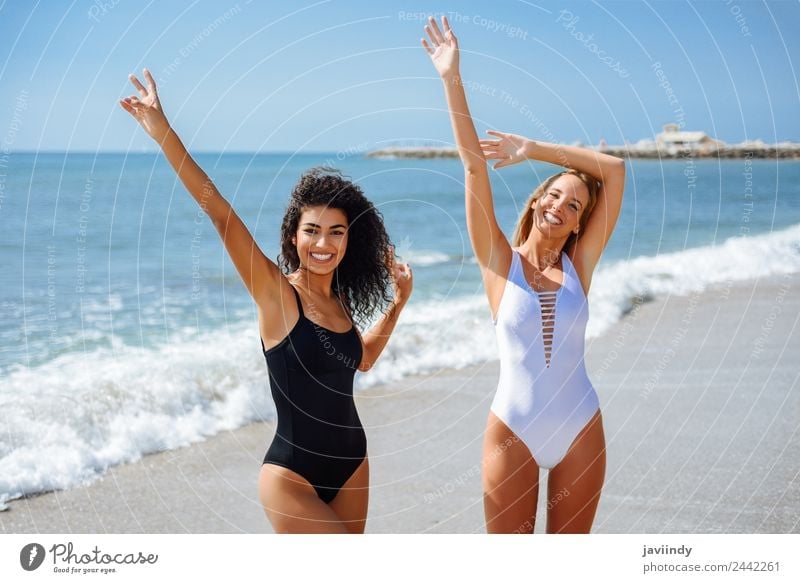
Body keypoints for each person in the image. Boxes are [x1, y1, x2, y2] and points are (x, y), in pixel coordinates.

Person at [119, 69, 412, 533]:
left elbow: (364, 360)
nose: (323, 243)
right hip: (291, 476)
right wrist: (164, 133)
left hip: (354, 463)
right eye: (312, 231)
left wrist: (397, 304)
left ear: (348, 242)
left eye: (336, 232)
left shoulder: (338, 303)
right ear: (294, 238)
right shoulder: (278, 295)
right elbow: (221, 215)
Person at [423, 17, 625, 533]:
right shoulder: (499, 261)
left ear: (582, 222)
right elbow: (473, 168)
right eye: (554, 194)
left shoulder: (579, 267)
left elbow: (615, 169)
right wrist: (452, 78)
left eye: (575, 204)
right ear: (536, 201)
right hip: (512, 426)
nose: (561, 205)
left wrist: (534, 148)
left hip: (582, 426)